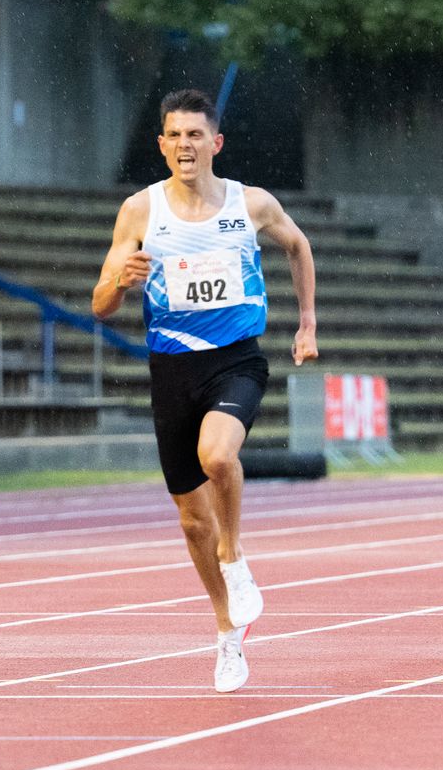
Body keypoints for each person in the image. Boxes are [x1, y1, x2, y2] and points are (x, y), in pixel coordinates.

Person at [93, 88, 318, 693]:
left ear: (215, 143)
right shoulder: (139, 212)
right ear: (161, 144)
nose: (185, 146)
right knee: (193, 521)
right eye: (175, 136)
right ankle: (226, 632)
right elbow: (100, 305)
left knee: (218, 455)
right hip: (170, 370)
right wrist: (121, 277)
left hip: (237, 360)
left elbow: (298, 245)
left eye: (196, 135)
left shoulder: (252, 204)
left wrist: (306, 324)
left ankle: (235, 554)